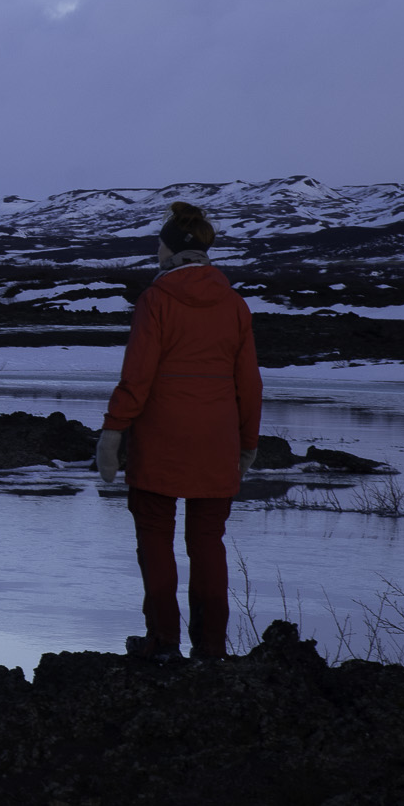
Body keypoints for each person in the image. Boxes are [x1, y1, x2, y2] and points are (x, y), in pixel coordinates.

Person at [92, 201, 262, 661]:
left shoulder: (157, 300)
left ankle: (162, 641)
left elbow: (137, 376)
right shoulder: (234, 304)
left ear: (168, 252)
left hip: (161, 440)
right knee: (207, 542)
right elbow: (248, 383)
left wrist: (113, 434)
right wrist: (247, 442)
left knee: (154, 537)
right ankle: (210, 648)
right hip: (216, 440)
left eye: (159, 248)